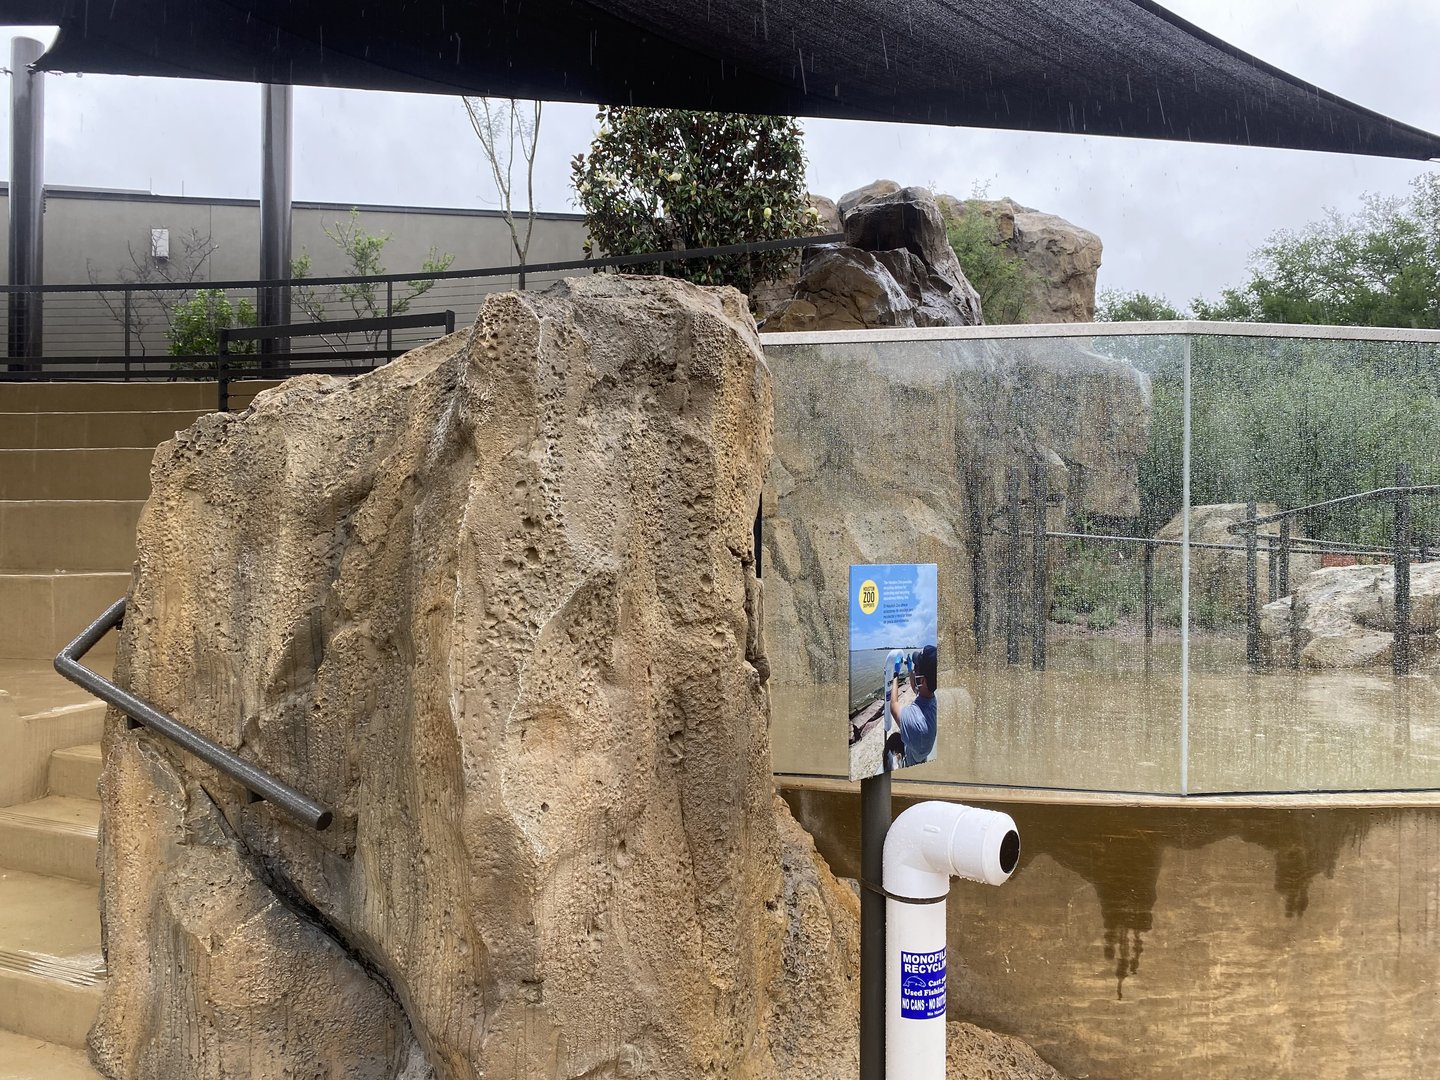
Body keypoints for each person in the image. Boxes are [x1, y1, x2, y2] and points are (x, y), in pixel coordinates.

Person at [887, 645, 938, 768]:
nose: (914, 670)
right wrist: (910, 670)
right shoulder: (931, 697)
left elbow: (893, 706)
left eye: (916, 668)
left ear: (924, 681)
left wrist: (895, 674)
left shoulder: (915, 721)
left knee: (893, 740)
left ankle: (899, 761)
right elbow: (916, 688)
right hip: (921, 749)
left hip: (912, 758)